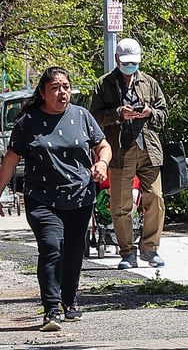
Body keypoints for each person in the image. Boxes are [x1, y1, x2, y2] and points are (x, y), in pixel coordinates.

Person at [0, 68, 111, 331]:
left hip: (80, 196)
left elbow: (103, 145)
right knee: (52, 246)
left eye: (65, 87)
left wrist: (103, 163)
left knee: (73, 253)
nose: (62, 92)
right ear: (43, 93)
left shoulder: (82, 116)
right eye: (55, 88)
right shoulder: (28, 122)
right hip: (41, 197)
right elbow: (10, 161)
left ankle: (69, 302)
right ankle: (51, 309)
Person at [89, 38, 169, 270]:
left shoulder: (150, 83)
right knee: (120, 205)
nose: (130, 66)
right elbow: (94, 116)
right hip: (120, 152)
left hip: (149, 150)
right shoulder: (104, 84)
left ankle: (150, 249)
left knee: (156, 198)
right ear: (117, 60)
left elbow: (163, 114)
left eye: (133, 62)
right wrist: (118, 114)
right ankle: (127, 252)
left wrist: (149, 112)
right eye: (125, 62)